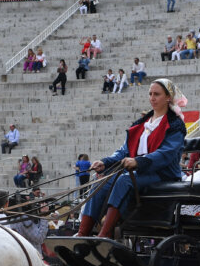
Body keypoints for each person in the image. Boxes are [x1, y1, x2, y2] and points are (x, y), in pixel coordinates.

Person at [77, 78, 188, 237]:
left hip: (163, 174)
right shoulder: (142, 124)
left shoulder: (175, 126)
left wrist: (138, 161)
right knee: (100, 181)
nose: (152, 98)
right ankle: (82, 233)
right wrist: (105, 162)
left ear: (168, 97)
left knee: (124, 180)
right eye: (150, 94)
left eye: (156, 94)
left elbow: (166, 154)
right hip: (141, 172)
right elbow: (124, 151)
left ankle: (105, 234)